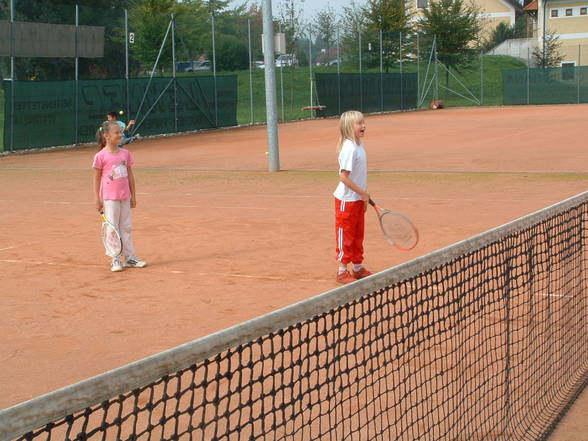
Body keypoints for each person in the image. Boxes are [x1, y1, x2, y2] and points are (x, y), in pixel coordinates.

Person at [93, 120, 147, 272]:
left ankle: (130, 258)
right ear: (106, 136)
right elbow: (97, 179)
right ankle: (115, 258)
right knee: (112, 229)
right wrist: (97, 199)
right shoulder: (100, 156)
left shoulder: (125, 154)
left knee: (126, 227)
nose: (120, 135)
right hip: (110, 198)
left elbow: (130, 176)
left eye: (121, 132)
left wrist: (133, 196)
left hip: (125, 196)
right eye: (117, 132)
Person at [333, 110, 372, 284]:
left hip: (357, 199)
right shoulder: (349, 147)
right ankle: (342, 271)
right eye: (359, 123)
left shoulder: (358, 145)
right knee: (346, 235)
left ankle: (357, 268)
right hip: (346, 201)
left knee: (357, 235)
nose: (363, 126)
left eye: (363, 122)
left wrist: (363, 196)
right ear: (349, 127)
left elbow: (359, 175)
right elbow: (344, 176)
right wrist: (362, 193)